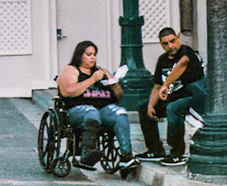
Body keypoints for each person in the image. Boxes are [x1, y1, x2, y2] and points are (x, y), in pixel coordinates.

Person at [57, 40, 134, 172]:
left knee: (120, 113)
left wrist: (113, 82)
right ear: (80, 55)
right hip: (78, 109)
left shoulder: (100, 70)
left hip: (102, 108)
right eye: (88, 54)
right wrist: (92, 80)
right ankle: (87, 152)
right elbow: (67, 91)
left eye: (94, 54)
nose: (92, 57)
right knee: (91, 112)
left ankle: (126, 156)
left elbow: (119, 95)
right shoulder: (71, 70)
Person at [137, 28, 207, 166]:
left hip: (191, 97)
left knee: (173, 108)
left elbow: (183, 63)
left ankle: (177, 152)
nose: (170, 46)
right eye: (165, 44)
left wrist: (166, 84)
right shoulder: (162, 60)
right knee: (144, 106)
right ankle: (155, 149)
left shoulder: (187, 52)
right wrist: (151, 106)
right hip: (172, 97)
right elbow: (157, 85)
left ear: (178, 38)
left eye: (172, 41)